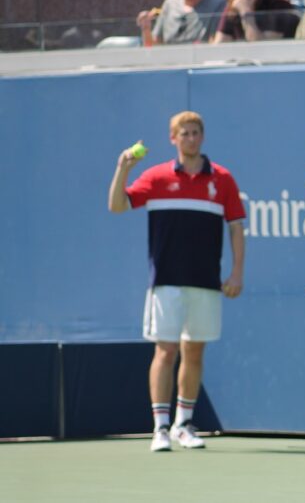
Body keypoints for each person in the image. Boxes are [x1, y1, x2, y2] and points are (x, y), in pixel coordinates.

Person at [107, 111, 245, 452]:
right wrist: (123, 167)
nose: (191, 138)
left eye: (196, 132)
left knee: (194, 351)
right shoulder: (155, 178)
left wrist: (237, 272)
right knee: (166, 351)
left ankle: (184, 423)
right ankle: (161, 428)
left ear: (202, 136)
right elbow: (117, 206)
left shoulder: (223, 180)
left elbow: (236, 228)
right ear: (174, 138)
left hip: (205, 282)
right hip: (166, 282)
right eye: (184, 133)